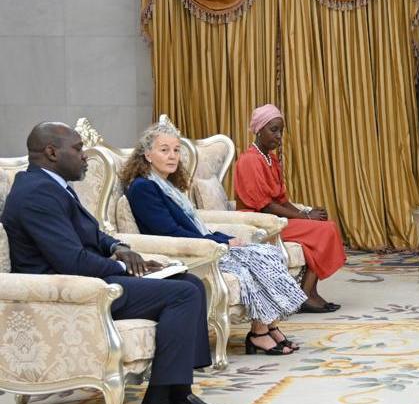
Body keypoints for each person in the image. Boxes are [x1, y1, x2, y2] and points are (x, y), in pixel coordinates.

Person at [1, 122, 233, 404]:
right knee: (184, 294)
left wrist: (118, 248)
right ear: (52, 152)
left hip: (87, 284)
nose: (85, 156)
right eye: (78, 149)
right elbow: (72, 261)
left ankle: (179, 396)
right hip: (70, 296)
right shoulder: (36, 194)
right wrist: (126, 269)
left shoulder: (51, 185)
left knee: (189, 282)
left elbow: (91, 234)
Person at [122, 121, 307, 355]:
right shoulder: (143, 188)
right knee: (258, 259)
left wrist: (224, 238)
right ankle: (259, 334)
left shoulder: (167, 185)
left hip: (202, 244)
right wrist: (220, 242)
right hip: (187, 254)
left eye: (176, 150)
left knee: (268, 252)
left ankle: (269, 327)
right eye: (164, 150)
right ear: (147, 154)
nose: (172, 156)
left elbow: (195, 226)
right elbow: (169, 231)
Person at [234, 104, 345, 313]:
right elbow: (265, 206)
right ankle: (306, 295)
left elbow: (282, 200)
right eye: (273, 130)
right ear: (259, 130)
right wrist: (305, 217)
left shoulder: (270, 158)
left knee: (325, 226)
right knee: (324, 230)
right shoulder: (249, 160)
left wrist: (306, 214)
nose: (278, 136)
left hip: (274, 219)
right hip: (258, 222)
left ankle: (309, 292)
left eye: (281, 131)